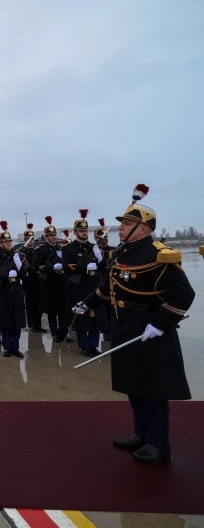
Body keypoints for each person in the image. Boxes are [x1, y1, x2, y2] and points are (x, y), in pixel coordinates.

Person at [73, 185, 195, 463]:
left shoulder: (158, 254)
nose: (122, 227)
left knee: (153, 388)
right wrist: (88, 303)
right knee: (135, 385)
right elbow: (108, 287)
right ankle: (141, 433)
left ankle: (158, 444)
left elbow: (184, 294)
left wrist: (160, 323)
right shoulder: (122, 253)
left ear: (143, 228)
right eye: (123, 223)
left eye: (127, 223)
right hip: (124, 324)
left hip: (150, 329)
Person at [63, 210, 102, 357]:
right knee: (82, 317)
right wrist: (86, 268)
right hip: (79, 286)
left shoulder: (94, 247)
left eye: (86, 230)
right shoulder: (68, 248)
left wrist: (101, 260)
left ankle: (94, 345)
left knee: (95, 317)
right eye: (81, 230)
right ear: (75, 232)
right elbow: (68, 267)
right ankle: (84, 345)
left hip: (94, 284)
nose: (84, 232)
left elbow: (104, 267)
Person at [0, 222, 27, 358]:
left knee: (17, 320)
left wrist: (20, 268)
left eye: (10, 241)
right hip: (2, 291)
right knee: (5, 321)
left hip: (16, 290)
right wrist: (5, 274)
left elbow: (24, 274)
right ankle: (7, 347)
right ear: (1, 243)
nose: (9, 243)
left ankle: (15, 347)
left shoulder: (17, 255)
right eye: (6, 241)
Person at [33, 216, 71, 343]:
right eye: (51, 235)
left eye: (54, 234)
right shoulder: (40, 250)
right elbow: (37, 265)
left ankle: (63, 333)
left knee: (63, 309)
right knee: (52, 310)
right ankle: (54, 333)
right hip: (50, 283)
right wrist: (51, 267)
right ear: (46, 237)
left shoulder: (63, 248)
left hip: (62, 282)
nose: (54, 237)